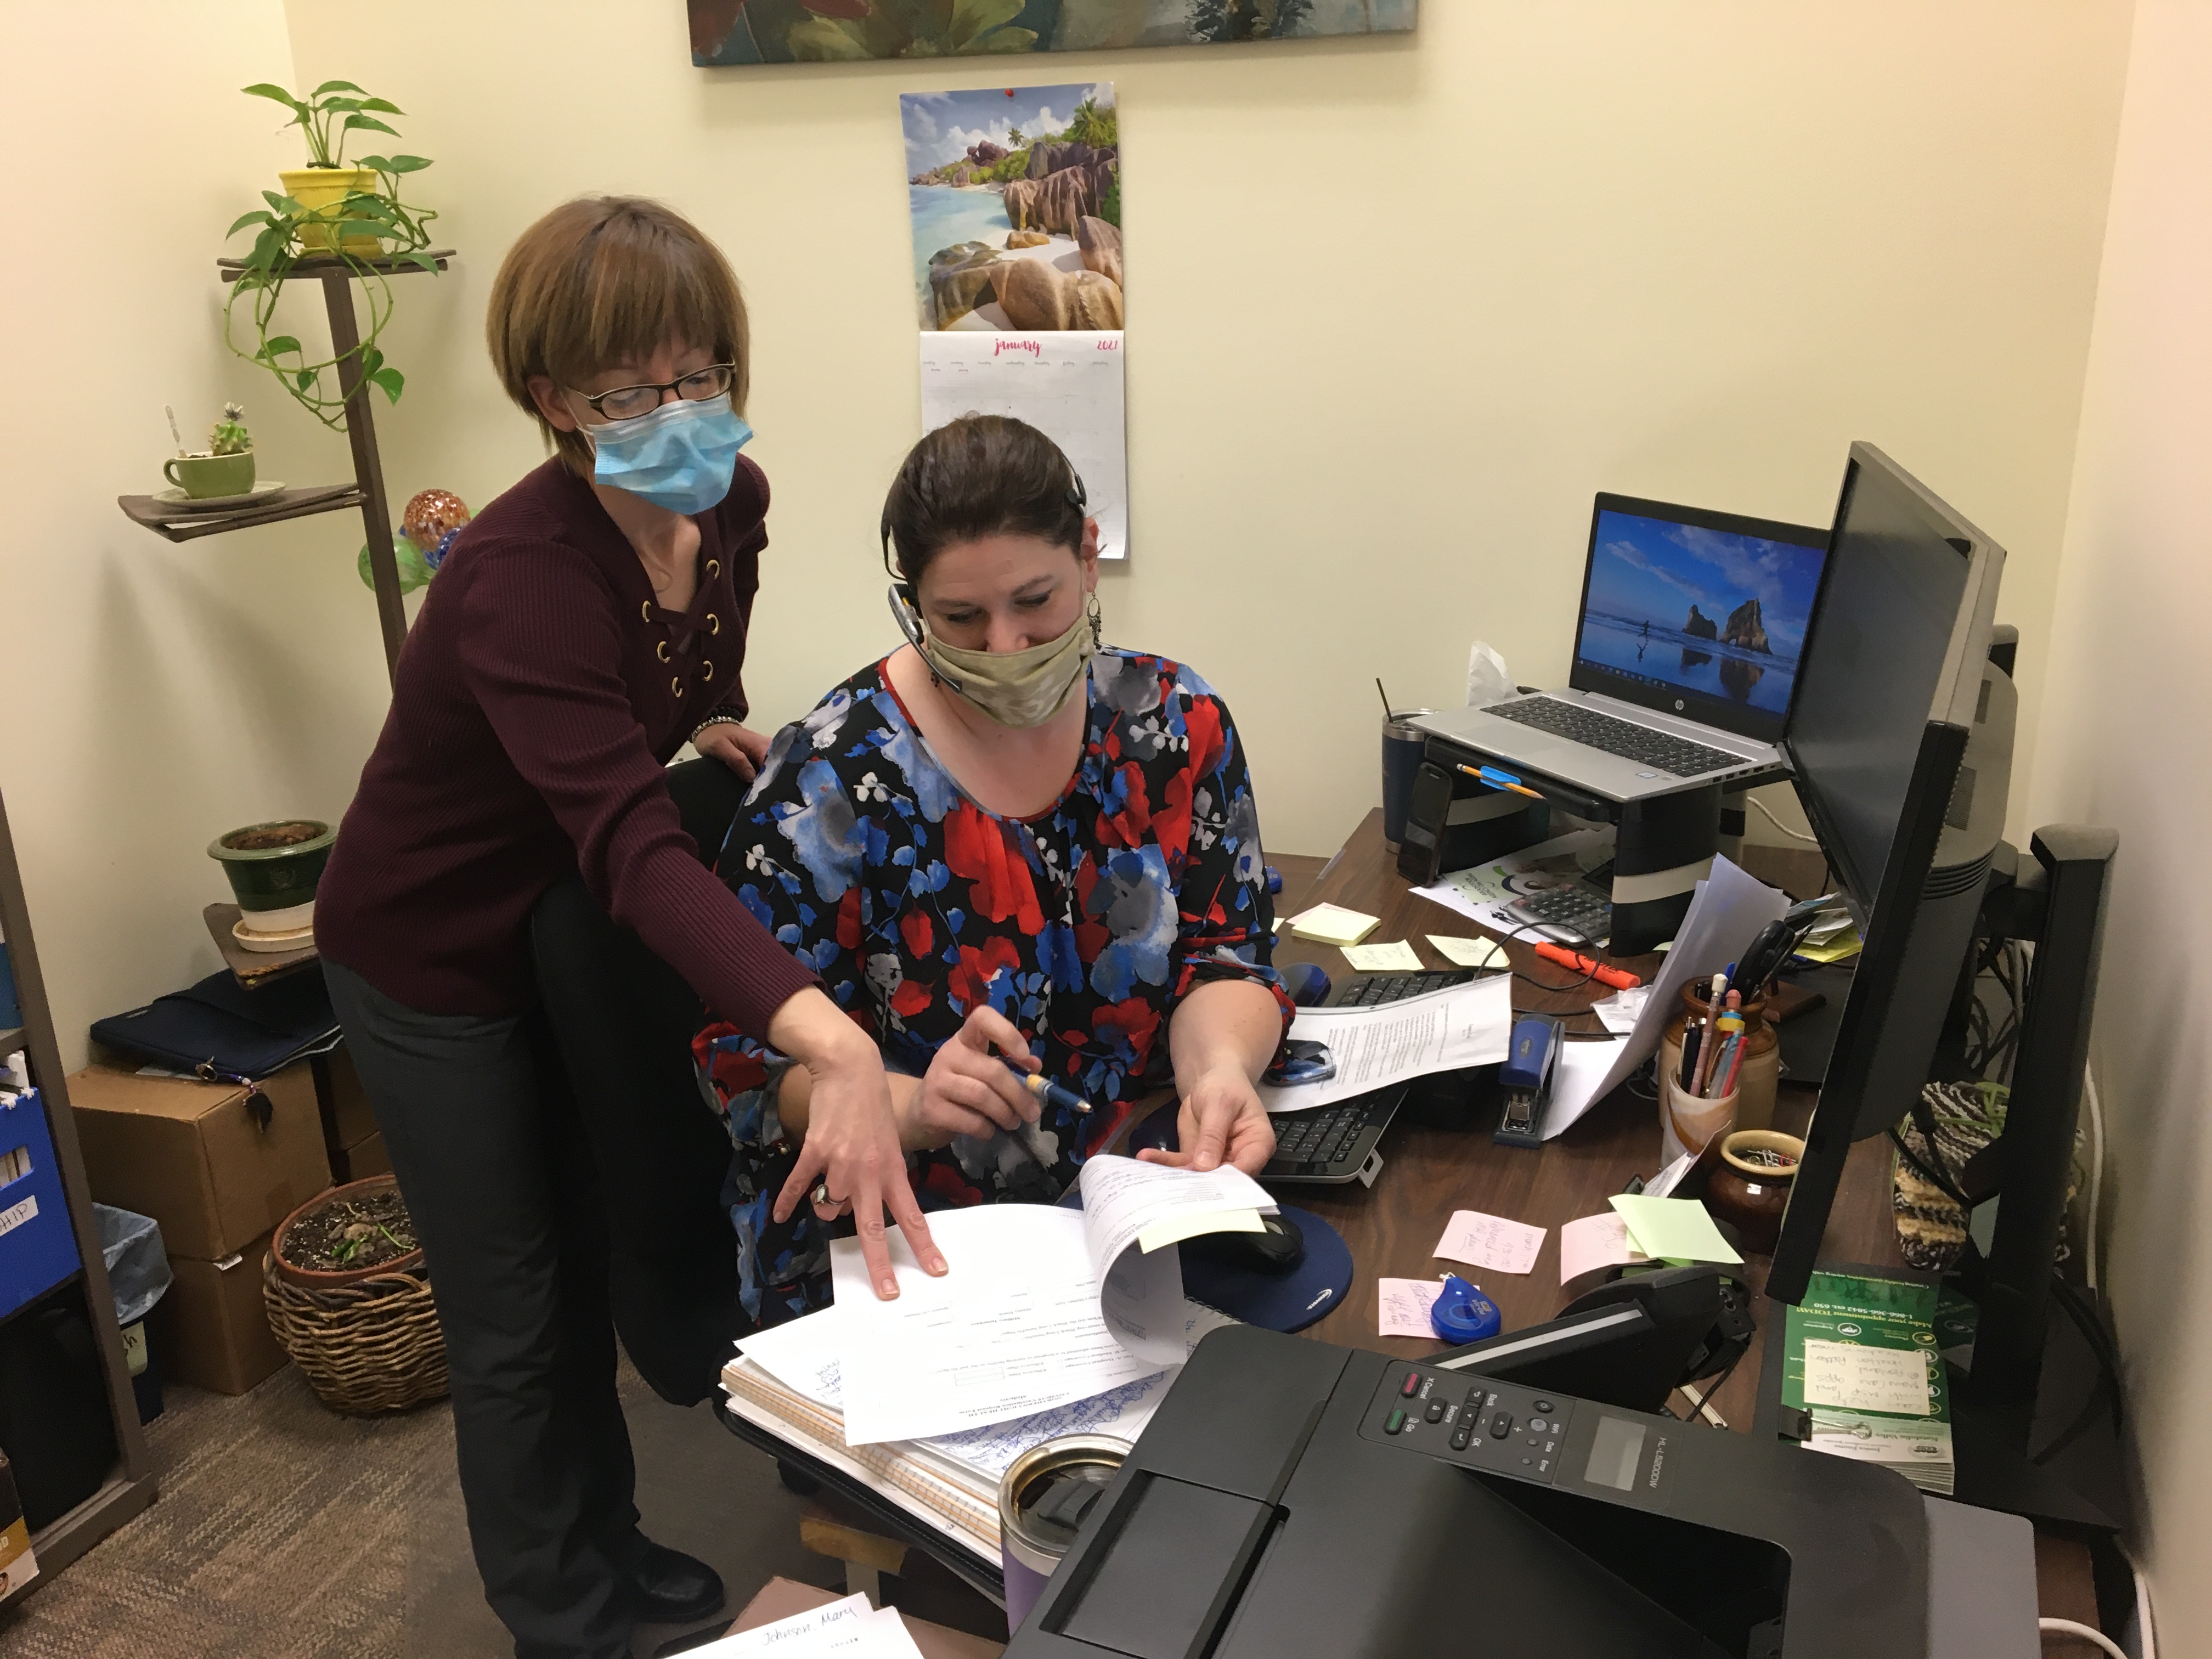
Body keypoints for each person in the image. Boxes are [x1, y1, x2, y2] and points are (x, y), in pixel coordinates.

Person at [312, 196, 943, 1659]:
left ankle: (607, 1550)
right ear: (552, 400)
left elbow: (670, 683)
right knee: (516, 1305)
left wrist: (705, 719)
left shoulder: (732, 503)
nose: (677, 413)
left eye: (698, 374)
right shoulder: (520, 577)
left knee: (583, 1245)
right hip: (428, 956)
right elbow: (629, 843)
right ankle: (562, 1611)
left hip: (557, 920)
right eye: (626, 393)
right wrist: (830, 1038)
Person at [696, 415, 1290, 1326]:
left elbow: (1226, 953)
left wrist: (1219, 1070)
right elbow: (742, 1066)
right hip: (908, 1239)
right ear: (913, 607)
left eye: (1035, 602)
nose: (1005, 646)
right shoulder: (829, 780)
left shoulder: (1174, 722)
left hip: (1134, 1193)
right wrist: (911, 1105)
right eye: (961, 619)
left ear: (1087, 558)